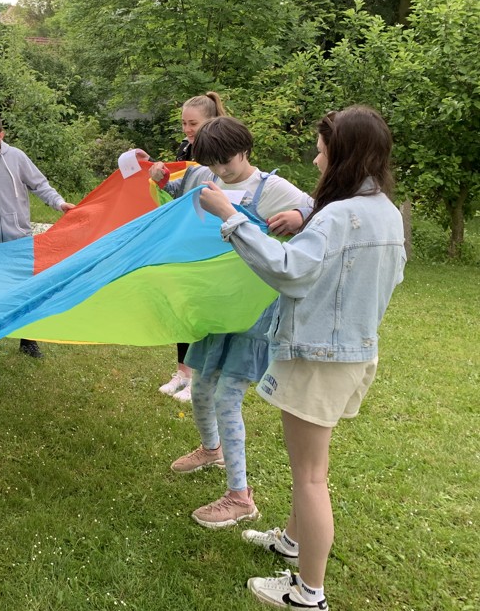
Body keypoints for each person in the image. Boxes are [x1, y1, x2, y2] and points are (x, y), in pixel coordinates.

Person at [198, 105, 405, 611]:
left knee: (311, 477)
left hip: (318, 358)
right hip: (353, 352)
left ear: (345, 155)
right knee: (308, 469)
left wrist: (230, 218)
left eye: (321, 151)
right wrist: (308, 220)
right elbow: (386, 272)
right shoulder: (386, 212)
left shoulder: (337, 215)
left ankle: (308, 592)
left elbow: (287, 269)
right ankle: (292, 541)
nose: (316, 161)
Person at [166, 117, 312, 530]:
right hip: (216, 307)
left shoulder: (272, 187)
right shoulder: (206, 176)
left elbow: (319, 209)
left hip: (252, 314)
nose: (220, 170)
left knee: (226, 398)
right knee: (201, 390)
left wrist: (299, 214)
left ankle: (240, 496)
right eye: (211, 162)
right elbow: (180, 189)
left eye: (226, 161)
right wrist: (160, 177)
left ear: (245, 150)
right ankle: (211, 450)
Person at [0, 111, 76, 358]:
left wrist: (59, 203)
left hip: (19, 239)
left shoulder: (17, 157)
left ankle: (28, 340)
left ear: (1, 135)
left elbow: (40, 185)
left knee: (25, 292)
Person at [140, 91, 229, 403]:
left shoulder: (223, 156)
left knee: (202, 312)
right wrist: (162, 180)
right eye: (184, 123)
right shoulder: (187, 150)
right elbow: (181, 191)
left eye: (194, 124)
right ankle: (184, 372)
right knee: (183, 306)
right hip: (186, 240)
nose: (188, 129)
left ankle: (201, 376)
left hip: (209, 242)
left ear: (212, 122)